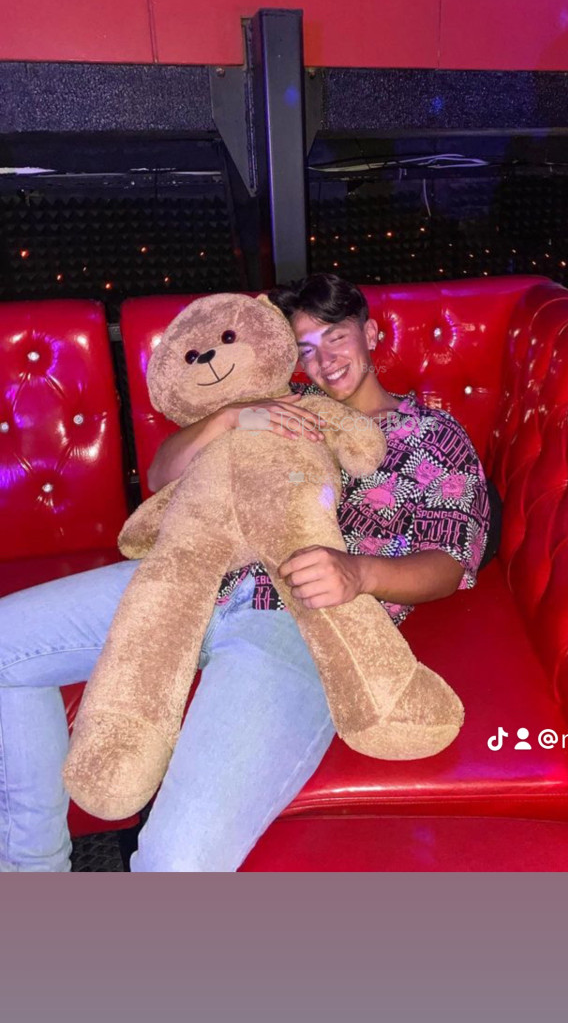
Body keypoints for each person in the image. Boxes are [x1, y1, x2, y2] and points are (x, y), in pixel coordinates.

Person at [0, 273, 499, 873]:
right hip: (189, 579)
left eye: (335, 337)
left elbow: (451, 562)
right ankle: (31, 873)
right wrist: (232, 417)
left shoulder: (431, 436)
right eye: (306, 348)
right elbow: (160, 475)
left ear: (370, 333)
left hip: (295, 622)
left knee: (175, 863)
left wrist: (359, 573)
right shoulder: (278, 403)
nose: (324, 360)